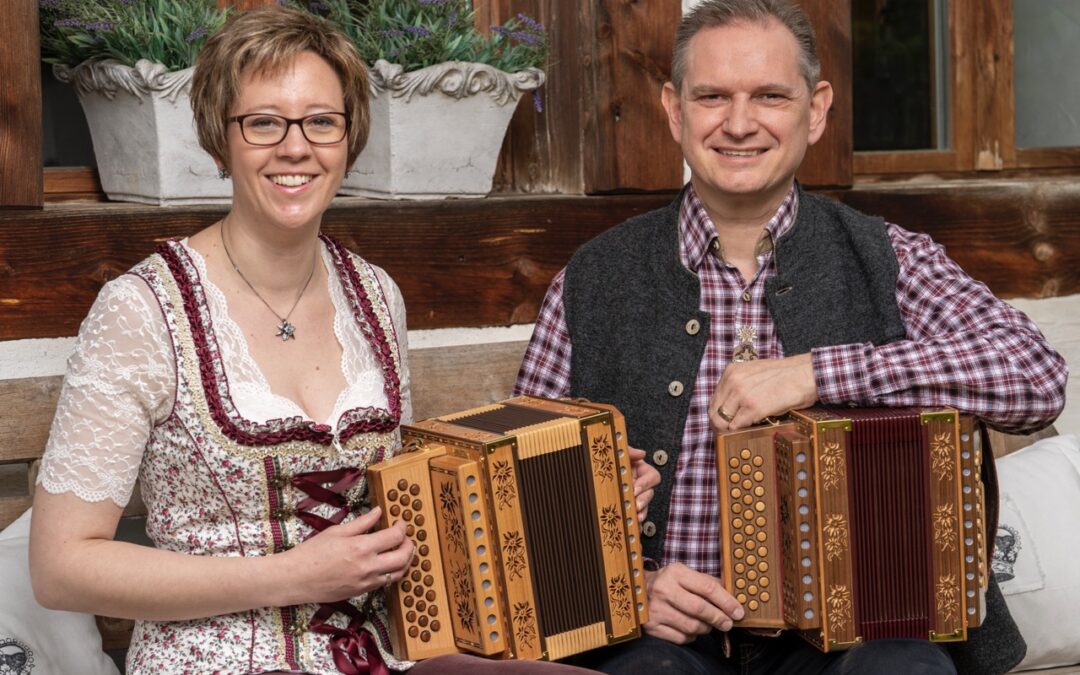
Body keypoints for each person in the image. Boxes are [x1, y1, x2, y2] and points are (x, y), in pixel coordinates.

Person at [27, 6, 614, 675]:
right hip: (214, 658)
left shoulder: (374, 295)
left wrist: (583, 505)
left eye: (321, 121)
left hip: (376, 655)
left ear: (349, 137)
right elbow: (61, 566)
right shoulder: (140, 310)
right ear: (220, 141)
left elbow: (398, 513)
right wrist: (293, 575)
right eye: (264, 122)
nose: (296, 146)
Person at [513, 1, 1068, 674]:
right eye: (712, 96)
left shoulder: (888, 258)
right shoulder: (594, 277)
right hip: (660, 640)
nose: (739, 123)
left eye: (770, 96)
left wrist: (817, 373)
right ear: (673, 109)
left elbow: (1035, 375)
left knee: (902, 669)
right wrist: (622, 590)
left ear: (816, 108)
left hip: (856, 633)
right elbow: (524, 507)